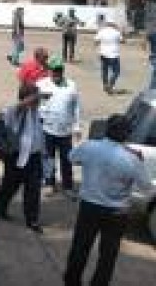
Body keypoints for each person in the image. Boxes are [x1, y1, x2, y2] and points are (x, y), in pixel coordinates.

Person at [63, 114, 153, 286]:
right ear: (127, 134)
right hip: (117, 212)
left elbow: (71, 157)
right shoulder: (133, 158)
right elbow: (146, 187)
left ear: (107, 129)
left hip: (89, 207)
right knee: (108, 255)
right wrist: (138, 160)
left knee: (80, 247)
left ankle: (71, 281)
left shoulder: (90, 147)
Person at [0, 83, 45, 232]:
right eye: (36, 99)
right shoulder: (14, 112)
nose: (39, 102)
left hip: (34, 157)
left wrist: (43, 150)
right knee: (10, 186)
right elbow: (19, 107)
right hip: (16, 157)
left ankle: (32, 219)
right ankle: (0, 208)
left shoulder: (37, 112)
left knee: (33, 189)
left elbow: (38, 134)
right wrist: (36, 95)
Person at [37, 56, 81, 196]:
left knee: (67, 159)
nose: (57, 73)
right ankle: (50, 182)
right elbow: (35, 105)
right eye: (54, 70)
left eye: (59, 70)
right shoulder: (41, 84)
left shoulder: (71, 85)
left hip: (65, 130)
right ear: (48, 70)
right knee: (48, 158)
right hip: (47, 129)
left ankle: (67, 186)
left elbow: (76, 107)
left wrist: (77, 126)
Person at [94, 20, 122, 94]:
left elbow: (96, 41)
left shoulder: (102, 31)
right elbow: (123, 40)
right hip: (113, 54)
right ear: (113, 25)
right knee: (116, 71)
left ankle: (105, 85)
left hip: (103, 54)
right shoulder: (116, 32)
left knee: (104, 71)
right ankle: (110, 85)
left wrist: (99, 48)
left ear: (107, 24)